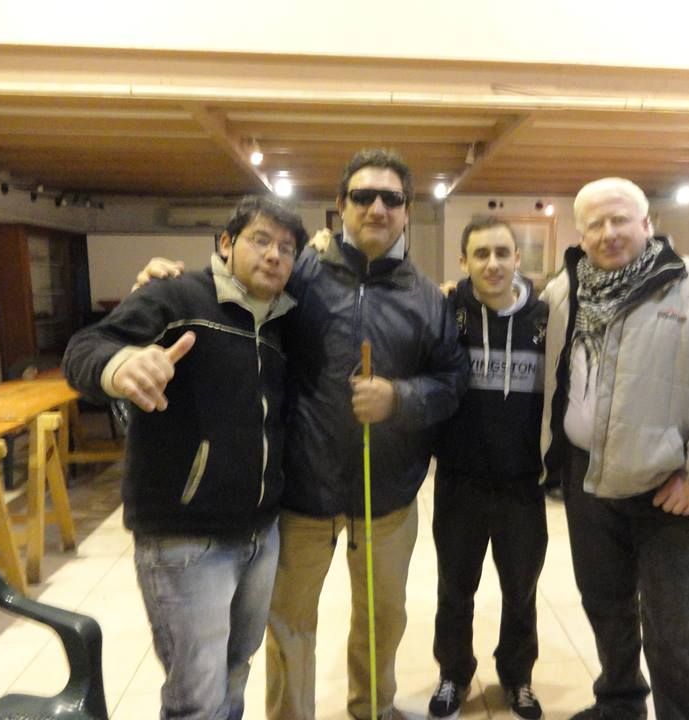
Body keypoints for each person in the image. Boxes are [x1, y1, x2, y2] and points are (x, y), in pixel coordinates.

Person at [134, 149, 468, 720]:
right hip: (301, 492)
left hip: (387, 499)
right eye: (363, 196)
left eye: (391, 198)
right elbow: (231, 295)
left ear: (407, 210)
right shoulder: (300, 274)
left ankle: (373, 708)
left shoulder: (427, 298)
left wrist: (399, 398)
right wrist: (168, 284)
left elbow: (452, 382)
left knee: (383, 619)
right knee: (288, 625)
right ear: (341, 205)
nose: (378, 208)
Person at [63, 195, 308, 720]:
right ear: (226, 243)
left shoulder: (282, 322)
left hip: (260, 534)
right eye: (261, 240)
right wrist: (121, 365)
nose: (274, 255)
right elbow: (85, 348)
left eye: (287, 248)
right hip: (186, 539)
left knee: (236, 668)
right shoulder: (175, 296)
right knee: (196, 695)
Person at [540, 178, 689, 720]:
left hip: (669, 490)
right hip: (588, 482)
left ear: (647, 223)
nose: (608, 233)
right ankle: (619, 704)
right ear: (580, 234)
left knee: (673, 631)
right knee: (606, 608)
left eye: (620, 219)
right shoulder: (563, 294)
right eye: (595, 224)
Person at [428, 217, 548, 720]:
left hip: (523, 483)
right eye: (481, 254)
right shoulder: (446, 311)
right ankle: (454, 674)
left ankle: (517, 677)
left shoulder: (545, 318)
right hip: (460, 481)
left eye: (502, 252)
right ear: (463, 261)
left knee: (521, 590)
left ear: (517, 258)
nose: (493, 263)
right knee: (455, 588)